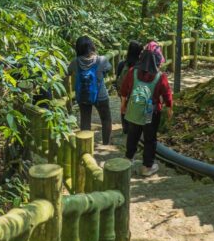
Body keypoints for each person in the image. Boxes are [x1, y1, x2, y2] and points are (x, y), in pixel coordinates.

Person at [119, 41, 173, 175]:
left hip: (134, 108)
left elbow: (124, 90)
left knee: (133, 134)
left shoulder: (133, 72)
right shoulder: (160, 77)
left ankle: (128, 159)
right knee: (150, 139)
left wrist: (123, 105)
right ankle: (147, 166)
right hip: (151, 112)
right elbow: (167, 94)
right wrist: (170, 107)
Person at [66, 36, 113, 145]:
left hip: (83, 95)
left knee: (85, 120)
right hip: (101, 95)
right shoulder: (101, 60)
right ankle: (106, 143)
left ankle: (85, 144)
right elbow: (109, 69)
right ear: (92, 46)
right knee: (106, 119)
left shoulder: (75, 62)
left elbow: (68, 72)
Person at [116, 41, 143, 133]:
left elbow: (117, 78)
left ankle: (125, 128)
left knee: (123, 107)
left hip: (123, 92)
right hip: (137, 92)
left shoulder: (122, 64)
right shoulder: (141, 65)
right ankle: (135, 127)